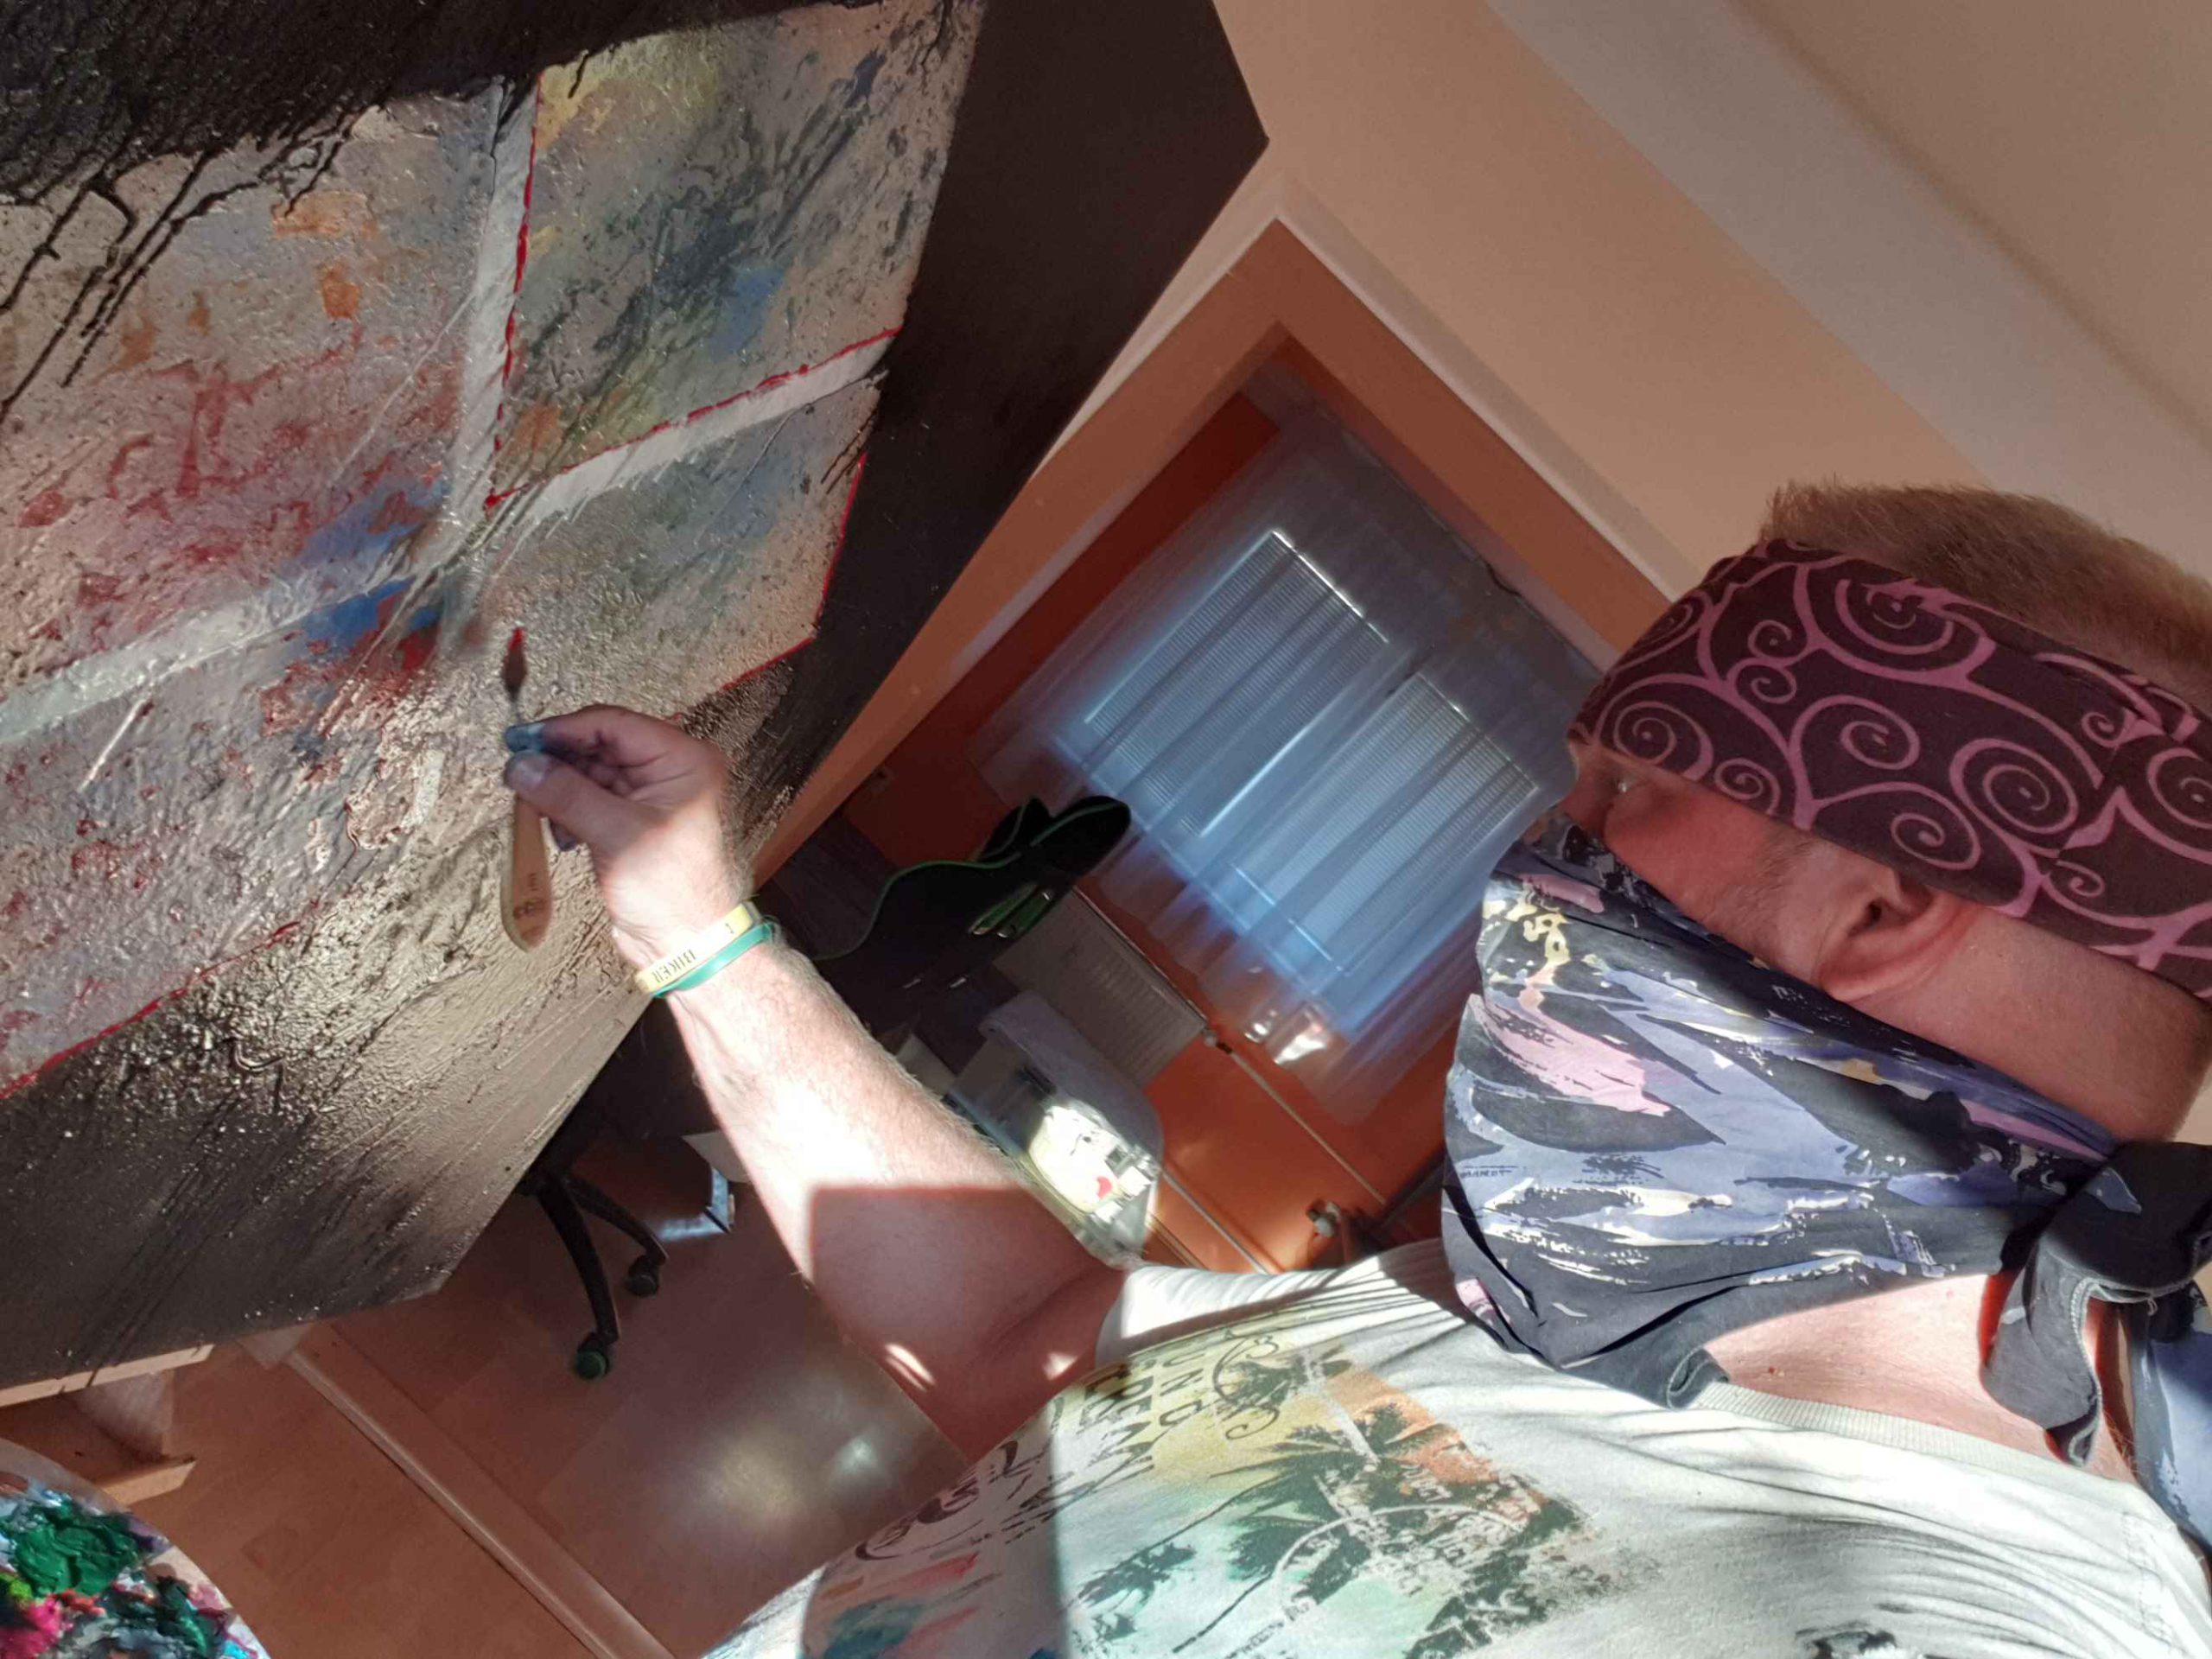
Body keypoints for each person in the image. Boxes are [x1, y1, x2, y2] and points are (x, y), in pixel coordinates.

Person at [503, 483, 2212, 1658]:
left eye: (1631, 786)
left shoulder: (1987, 1622)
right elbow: (1032, 1345)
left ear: (1885, 903)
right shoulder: (1537, 1301)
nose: (1547, 845)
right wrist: (700, 933)